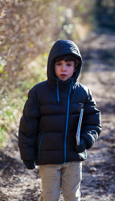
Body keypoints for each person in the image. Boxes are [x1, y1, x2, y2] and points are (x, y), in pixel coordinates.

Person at [18, 40, 101, 201]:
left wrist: (85, 140)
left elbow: (93, 122)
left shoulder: (83, 93)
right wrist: (27, 154)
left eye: (69, 64)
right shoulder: (38, 92)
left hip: (73, 158)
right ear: (51, 65)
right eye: (59, 64)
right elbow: (28, 126)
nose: (64, 68)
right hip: (48, 159)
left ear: (75, 67)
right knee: (50, 197)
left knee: (72, 196)